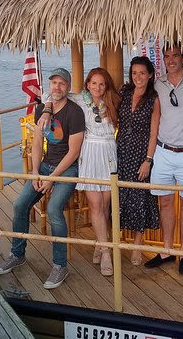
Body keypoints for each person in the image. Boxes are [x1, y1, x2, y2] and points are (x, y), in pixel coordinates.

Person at [0, 67, 85, 289]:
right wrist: (36, 171)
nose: (57, 87)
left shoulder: (74, 113)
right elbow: (37, 144)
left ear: (68, 87)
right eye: (54, 83)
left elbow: (73, 152)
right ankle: (17, 253)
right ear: (49, 86)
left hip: (66, 169)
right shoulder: (41, 110)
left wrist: (52, 179)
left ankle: (60, 266)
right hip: (44, 166)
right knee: (19, 205)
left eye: (62, 83)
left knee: (55, 210)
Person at [145, 43, 183, 275]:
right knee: (165, 202)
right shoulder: (157, 83)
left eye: (175, 55)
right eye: (167, 56)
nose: (171, 60)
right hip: (163, 152)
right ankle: (167, 250)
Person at [71, 67, 120, 277]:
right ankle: (107, 252)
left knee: (107, 204)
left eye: (101, 84)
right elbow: (52, 94)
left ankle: (100, 244)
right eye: (94, 83)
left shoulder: (113, 102)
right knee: (96, 204)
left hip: (109, 153)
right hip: (90, 152)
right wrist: (46, 109)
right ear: (87, 84)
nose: (97, 87)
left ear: (106, 85)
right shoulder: (80, 100)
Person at [117, 56, 161, 266]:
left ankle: (137, 245)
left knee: (139, 198)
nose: (138, 77)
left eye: (142, 73)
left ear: (150, 74)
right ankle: (115, 240)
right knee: (119, 195)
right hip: (120, 151)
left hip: (141, 153)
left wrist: (148, 160)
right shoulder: (123, 93)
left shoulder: (154, 98)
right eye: (134, 73)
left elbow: (154, 133)